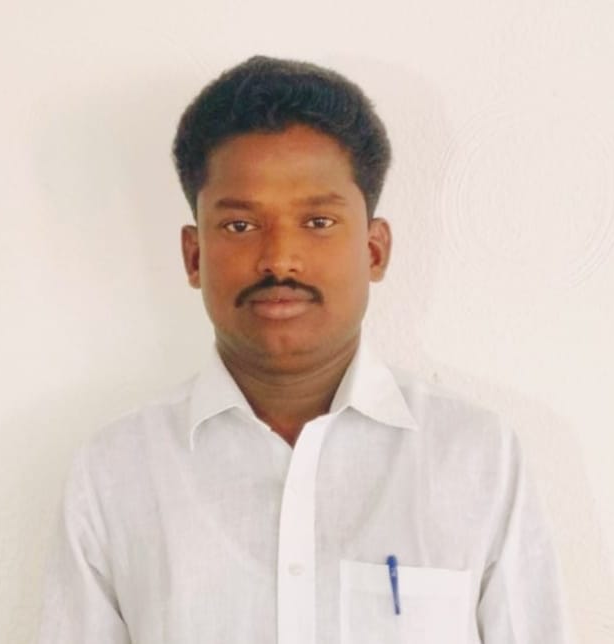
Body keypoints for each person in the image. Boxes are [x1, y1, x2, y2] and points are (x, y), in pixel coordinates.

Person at [37, 56, 571, 643]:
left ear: (374, 250)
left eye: (317, 222)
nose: (279, 259)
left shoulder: (476, 458)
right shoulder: (114, 473)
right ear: (194, 256)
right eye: (240, 226)